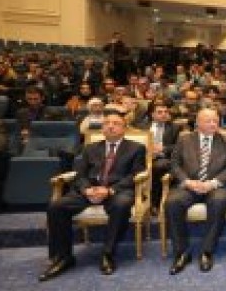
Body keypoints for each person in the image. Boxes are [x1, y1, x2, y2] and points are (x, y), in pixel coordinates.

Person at [39, 113, 147, 281]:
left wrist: (110, 190)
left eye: (116, 123)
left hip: (117, 191)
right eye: (107, 123)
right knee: (56, 206)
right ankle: (63, 257)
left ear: (124, 128)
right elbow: (80, 174)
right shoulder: (90, 148)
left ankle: (108, 253)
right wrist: (86, 190)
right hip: (90, 189)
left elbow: (134, 175)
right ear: (102, 128)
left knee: (122, 205)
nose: (110, 126)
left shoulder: (136, 148)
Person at [165, 108, 226, 275]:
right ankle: (182, 253)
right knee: (172, 203)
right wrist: (187, 181)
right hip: (189, 185)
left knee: (219, 202)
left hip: (215, 186)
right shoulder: (184, 140)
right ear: (198, 123)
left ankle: (207, 251)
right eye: (208, 121)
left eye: (215, 121)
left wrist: (213, 183)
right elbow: (174, 164)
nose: (213, 124)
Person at [135, 102, 181, 210]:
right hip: (143, 157)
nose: (164, 114)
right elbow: (134, 144)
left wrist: (163, 149)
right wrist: (148, 151)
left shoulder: (175, 128)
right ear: (152, 114)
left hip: (163, 158)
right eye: (160, 112)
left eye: (165, 112)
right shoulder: (141, 126)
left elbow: (179, 147)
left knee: (160, 166)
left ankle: (154, 202)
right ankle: (137, 199)